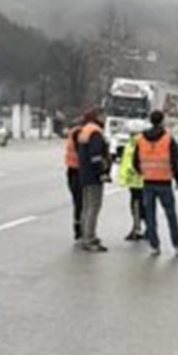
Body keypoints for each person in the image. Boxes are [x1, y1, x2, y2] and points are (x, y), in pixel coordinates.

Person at [133, 110, 178, 257]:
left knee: (150, 215)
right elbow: (174, 160)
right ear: (162, 121)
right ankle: (177, 245)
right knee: (171, 214)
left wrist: (143, 172)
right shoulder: (168, 139)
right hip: (164, 182)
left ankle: (154, 245)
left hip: (148, 182)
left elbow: (135, 161)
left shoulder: (141, 139)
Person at [76, 108, 110, 252]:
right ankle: (89, 239)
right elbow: (96, 156)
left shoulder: (85, 130)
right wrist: (102, 172)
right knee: (94, 207)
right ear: (98, 116)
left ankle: (85, 235)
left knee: (86, 206)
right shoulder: (95, 132)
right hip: (93, 175)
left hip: (84, 173)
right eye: (104, 115)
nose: (106, 119)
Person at [119, 139, 146, 241]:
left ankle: (137, 229)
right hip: (134, 179)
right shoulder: (131, 142)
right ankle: (143, 229)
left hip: (138, 180)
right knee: (139, 205)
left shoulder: (138, 142)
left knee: (137, 205)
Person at [63, 118, 83, 241]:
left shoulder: (72, 133)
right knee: (80, 202)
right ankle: (79, 228)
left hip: (71, 170)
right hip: (78, 171)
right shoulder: (79, 134)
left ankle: (78, 227)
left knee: (77, 202)